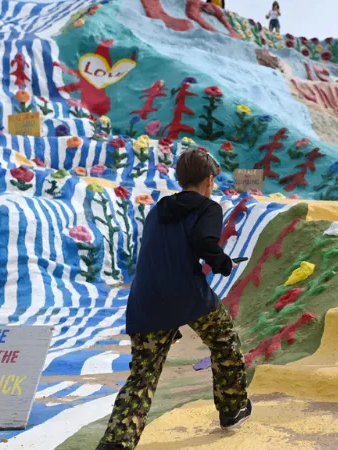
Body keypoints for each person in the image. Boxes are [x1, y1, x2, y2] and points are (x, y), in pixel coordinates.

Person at [96, 150, 251, 450]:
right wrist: (224, 263)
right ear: (208, 180)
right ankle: (233, 409)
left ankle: (116, 442)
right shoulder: (209, 208)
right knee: (225, 343)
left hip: (146, 299)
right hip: (188, 294)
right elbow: (205, 243)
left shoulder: (158, 209)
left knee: (142, 375)